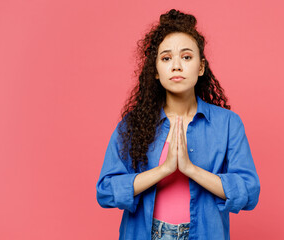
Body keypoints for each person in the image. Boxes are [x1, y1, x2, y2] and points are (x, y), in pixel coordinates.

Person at [96, 9, 260, 240]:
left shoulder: (227, 124)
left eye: (186, 57)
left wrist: (190, 169)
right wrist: (163, 170)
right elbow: (105, 191)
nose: (176, 66)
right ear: (156, 71)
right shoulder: (133, 125)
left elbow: (249, 191)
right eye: (166, 58)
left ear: (201, 67)